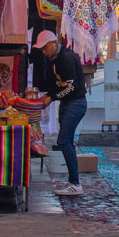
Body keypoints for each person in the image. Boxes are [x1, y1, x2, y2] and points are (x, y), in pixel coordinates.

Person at [32, 30, 88, 198]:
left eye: (44, 48)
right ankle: (73, 181)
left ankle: (75, 183)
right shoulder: (56, 59)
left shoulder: (66, 58)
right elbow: (60, 84)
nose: (43, 52)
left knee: (64, 141)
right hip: (69, 103)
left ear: (53, 44)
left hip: (75, 103)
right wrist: (49, 94)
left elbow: (71, 87)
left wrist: (52, 97)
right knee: (66, 141)